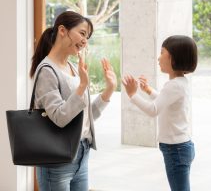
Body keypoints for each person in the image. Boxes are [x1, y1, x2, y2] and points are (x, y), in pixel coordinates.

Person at [29, 11, 117, 190]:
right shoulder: (47, 70)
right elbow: (59, 117)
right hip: (56, 161)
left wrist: (109, 89)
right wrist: (83, 85)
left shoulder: (73, 68)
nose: (85, 40)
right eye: (82, 33)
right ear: (63, 30)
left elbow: (85, 115)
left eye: (88, 37)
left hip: (81, 154)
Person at [122, 35, 198, 191]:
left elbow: (153, 110)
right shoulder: (179, 83)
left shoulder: (173, 86)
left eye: (162, 52)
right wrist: (149, 91)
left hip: (175, 149)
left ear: (172, 58)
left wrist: (132, 95)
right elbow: (165, 103)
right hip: (181, 146)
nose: (158, 58)